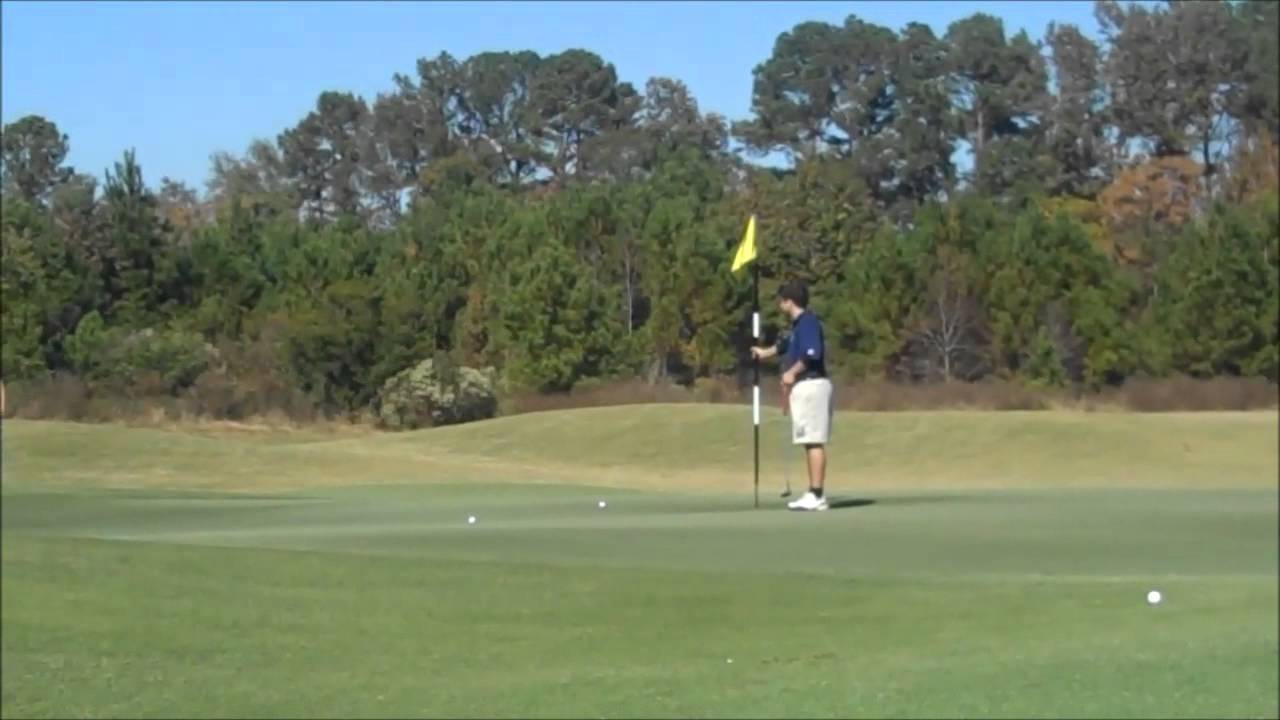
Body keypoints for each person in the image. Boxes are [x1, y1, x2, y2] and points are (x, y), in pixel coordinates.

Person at [751, 280, 834, 511]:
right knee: (809, 441)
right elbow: (785, 345)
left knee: (813, 441)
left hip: (812, 385)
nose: (780, 304)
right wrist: (763, 353)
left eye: (782, 300)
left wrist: (791, 372)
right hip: (806, 387)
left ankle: (816, 494)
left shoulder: (807, 323)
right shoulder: (798, 326)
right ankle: (814, 493)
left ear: (789, 301)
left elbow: (811, 353)